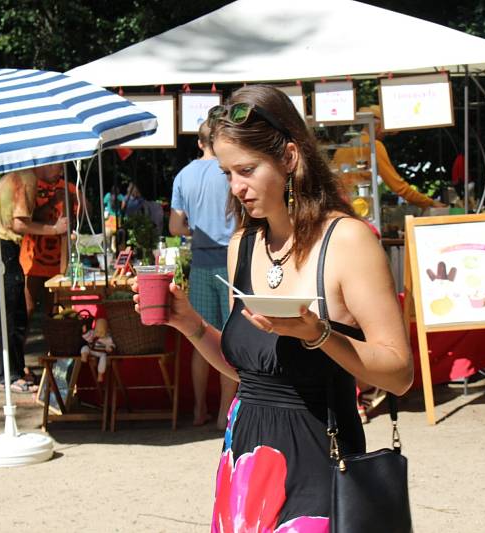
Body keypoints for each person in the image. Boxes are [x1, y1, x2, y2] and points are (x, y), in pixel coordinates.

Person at [133, 85, 413, 529]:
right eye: (227, 173)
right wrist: (190, 324)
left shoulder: (347, 242)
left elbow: (399, 374)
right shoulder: (242, 245)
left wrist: (318, 334)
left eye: (246, 170)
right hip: (245, 465)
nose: (236, 187)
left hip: (321, 463)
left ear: (289, 157)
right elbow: (251, 374)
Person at [169, 121, 238, 429]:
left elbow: (174, 228)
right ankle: (225, 413)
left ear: (199, 143)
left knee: (199, 336)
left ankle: (199, 410)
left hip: (199, 263)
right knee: (229, 339)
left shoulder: (184, 176)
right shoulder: (230, 171)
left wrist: (194, 230)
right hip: (231, 262)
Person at [0, 164, 68, 394]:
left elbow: (26, 217)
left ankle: (14, 370)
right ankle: (9, 375)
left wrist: (48, 205)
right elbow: (18, 224)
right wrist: (55, 229)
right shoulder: (27, 179)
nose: (61, 172)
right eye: (58, 165)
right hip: (0, 245)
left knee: (16, 310)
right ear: (46, 163)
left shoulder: (25, 177)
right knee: (13, 310)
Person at [331, 104, 445, 209]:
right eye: (386, 132)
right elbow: (398, 186)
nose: (385, 136)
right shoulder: (374, 145)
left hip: (338, 205)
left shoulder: (343, 148)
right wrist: (430, 202)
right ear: (378, 126)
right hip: (358, 208)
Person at [19, 169, 79, 337]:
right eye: (55, 165)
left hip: (59, 263)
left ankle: (53, 356)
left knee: (54, 312)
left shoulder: (68, 186)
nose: (58, 170)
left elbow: (86, 211)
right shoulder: (32, 185)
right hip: (32, 260)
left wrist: (76, 199)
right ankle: (18, 360)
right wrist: (52, 202)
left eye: (60, 166)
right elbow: (27, 218)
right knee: (26, 311)